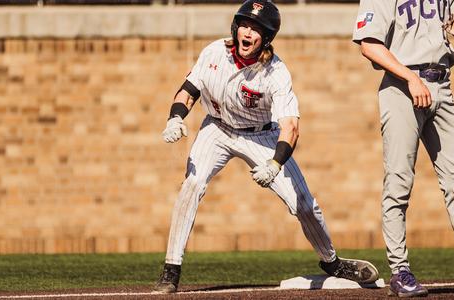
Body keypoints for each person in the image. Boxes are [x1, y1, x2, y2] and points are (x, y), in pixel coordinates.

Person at [153, 0, 379, 293]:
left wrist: (275, 163)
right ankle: (171, 269)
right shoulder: (214, 52)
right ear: (236, 28)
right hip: (217, 128)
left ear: (267, 38)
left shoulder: (275, 72)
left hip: (262, 136)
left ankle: (332, 262)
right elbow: (189, 90)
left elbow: (291, 126)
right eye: (245, 25)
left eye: (257, 29)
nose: (248, 33)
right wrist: (174, 118)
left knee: (303, 203)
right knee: (191, 186)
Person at [352, 0, 454, 297]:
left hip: (442, 86)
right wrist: (410, 78)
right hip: (401, 86)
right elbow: (369, 45)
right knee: (399, 182)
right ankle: (400, 271)